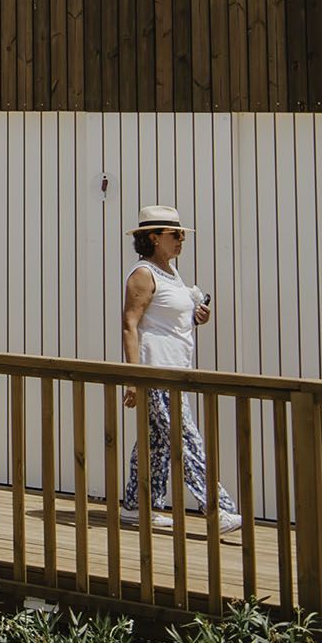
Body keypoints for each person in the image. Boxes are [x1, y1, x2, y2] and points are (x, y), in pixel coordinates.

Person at [120, 205, 240, 532]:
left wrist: (197, 317)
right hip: (155, 370)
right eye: (175, 234)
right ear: (154, 238)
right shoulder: (143, 274)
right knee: (185, 438)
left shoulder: (171, 273)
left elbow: (168, 321)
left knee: (155, 442)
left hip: (174, 368)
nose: (181, 239)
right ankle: (218, 509)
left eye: (182, 234)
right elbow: (130, 324)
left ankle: (136, 506)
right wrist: (133, 378)